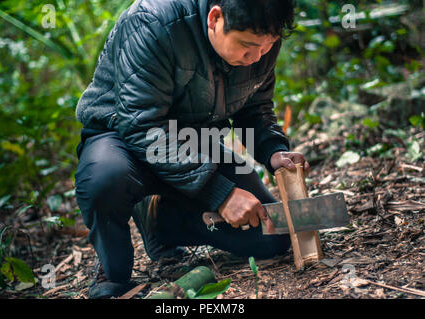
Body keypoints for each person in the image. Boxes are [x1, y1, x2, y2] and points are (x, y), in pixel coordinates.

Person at [74, 0, 310, 299]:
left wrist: (273, 151)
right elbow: (141, 126)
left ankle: (163, 221)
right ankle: (114, 272)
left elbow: (255, 110)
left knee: (269, 236)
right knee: (104, 180)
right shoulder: (152, 21)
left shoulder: (260, 41)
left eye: (267, 47)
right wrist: (220, 193)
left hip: (195, 145)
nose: (256, 57)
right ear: (215, 18)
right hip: (121, 138)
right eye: (247, 46)